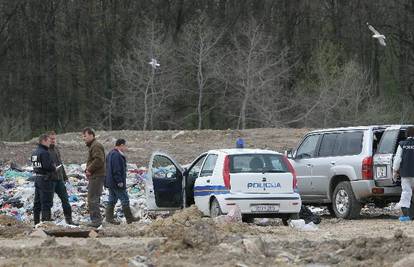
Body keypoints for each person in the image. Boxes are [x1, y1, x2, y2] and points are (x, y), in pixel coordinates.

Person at [105, 139, 139, 224]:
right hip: (116, 182)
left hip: (110, 182)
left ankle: (109, 218)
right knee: (125, 199)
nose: (125, 148)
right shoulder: (116, 155)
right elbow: (116, 170)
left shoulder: (110, 153)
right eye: (125, 146)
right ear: (121, 145)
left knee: (112, 200)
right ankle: (130, 219)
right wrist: (119, 181)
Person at [48, 131, 77, 225]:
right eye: (51, 139)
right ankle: (47, 220)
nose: (53, 140)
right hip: (50, 180)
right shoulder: (45, 150)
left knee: (65, 199)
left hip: (59, 179)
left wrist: (65, 177)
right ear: (47, 139)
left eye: (54, 139)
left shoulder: (56, 149)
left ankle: (69, 219)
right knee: (49, 201)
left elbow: (60, 164)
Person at [82, 127, 106, 227]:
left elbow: (99, 160)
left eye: (85, 136)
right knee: (94, 198)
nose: (84, 138)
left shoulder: (96, 146)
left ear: (92, 135)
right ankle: (96, 220)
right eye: (83, 136)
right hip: (96, 175)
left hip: (97, 175)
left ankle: (96, 221)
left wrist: (89, 170)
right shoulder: (93, 145)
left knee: (92, 198)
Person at [31, 134, 56, 225]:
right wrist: (53, 167)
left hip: (37, 178)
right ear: (44, 141)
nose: (50, 142)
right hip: (45, 180)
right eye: (49, 140)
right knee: (46, 202)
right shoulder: (45, 152)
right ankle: (46, 224)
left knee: (37, 202)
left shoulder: (34, 152)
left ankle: (36, 223)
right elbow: (48, 166)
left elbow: (35, 165)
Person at [393, 126, 414, 222]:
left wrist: (395, 171)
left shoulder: (402, 144)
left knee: (406, 193)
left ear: (406, 134)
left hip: (406, 174)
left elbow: (397, 160)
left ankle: (407, 216)